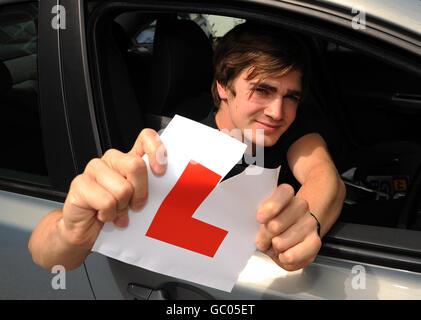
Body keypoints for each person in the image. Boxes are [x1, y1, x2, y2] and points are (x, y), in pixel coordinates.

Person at [28, 22, 345, 272]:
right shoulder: (183, 142)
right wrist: (70, 232)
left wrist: (308, 223)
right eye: (262, 90)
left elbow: (323, 175)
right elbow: (46, 254)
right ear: (223, 85)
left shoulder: (288, 125)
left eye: (291, 96)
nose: (278, 112)